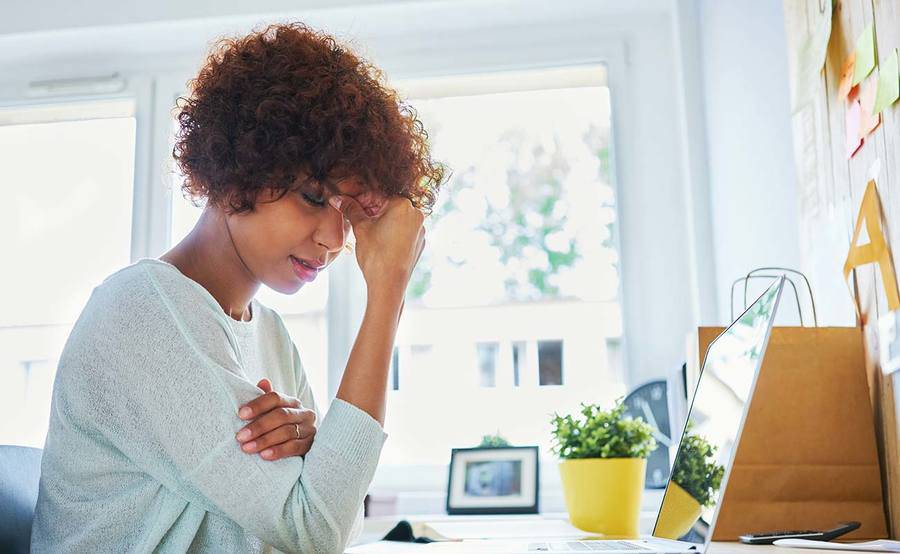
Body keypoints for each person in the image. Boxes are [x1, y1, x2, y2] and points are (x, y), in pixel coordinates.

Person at [31, 21, 445, 553]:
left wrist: (318, 459)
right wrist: (387, 292)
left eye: (349, 213)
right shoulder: (140, 312)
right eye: (315, 198)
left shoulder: (270, 336)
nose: (335, 240)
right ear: (235, 174)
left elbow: (337, 524)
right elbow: (312, 532)